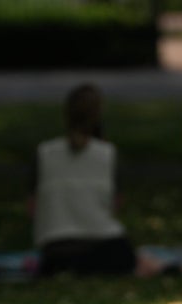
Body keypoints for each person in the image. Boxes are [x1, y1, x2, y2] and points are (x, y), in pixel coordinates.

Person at [31, 82, 138, 278]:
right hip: (105, 248)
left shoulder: (44, 153)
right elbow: (115, 205)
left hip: (55, 251)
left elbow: (33, 206)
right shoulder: (107, 155)